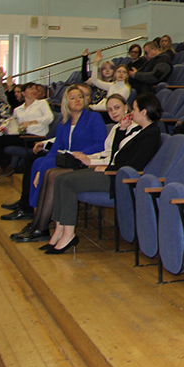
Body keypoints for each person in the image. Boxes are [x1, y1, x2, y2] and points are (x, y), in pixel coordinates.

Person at [43, 93, 164, 254]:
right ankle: (59, 230)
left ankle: (68, 234)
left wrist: (108, 169)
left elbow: (135, 165)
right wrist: (121, 130)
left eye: (134, 109)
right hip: (114, 172)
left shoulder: (151, 134)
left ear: (143, 112)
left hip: (118, 179)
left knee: (67, 182)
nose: (131, 112)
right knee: (60, 179)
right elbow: (117, 155)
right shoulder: (140, 130)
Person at [17, 94, 138, 237]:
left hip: (107, 171)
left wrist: (87, 159)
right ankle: (37, 221)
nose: (114, 112)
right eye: (110, 110)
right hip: (92, 161)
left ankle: (45, 226)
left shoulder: (131, 129)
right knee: (41, 165)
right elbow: (106, 153)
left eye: (117, 108)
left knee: (55, 176)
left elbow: (111, 156)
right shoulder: (115, 128)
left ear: (126, 107)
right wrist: (87, 158)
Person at [0, 85, 105, 235]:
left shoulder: (93, 118)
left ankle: (40, 222)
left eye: (80, 97)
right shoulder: (64, 123)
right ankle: (37, 216)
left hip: (84, 160)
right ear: (66, 103)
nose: (78, 100)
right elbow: (56, 148)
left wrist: (80, 154)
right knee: (38, 162)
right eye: (73, 98)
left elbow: (100, 143)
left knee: (46, 164)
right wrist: (39, 171)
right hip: (67, 158)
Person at [0, 82, 54, 186]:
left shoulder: (41, 103)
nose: (34, 91)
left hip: (35, 137)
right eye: (30, 89)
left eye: (35, 89)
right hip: (22, 135)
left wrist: (32, 122)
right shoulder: (18, 109)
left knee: (0, 141)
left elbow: (49, 118)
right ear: (23, 93)